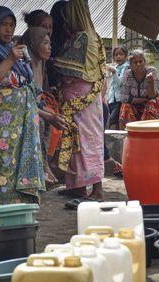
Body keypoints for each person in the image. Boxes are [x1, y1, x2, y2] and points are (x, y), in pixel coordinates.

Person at [0, 6, 46, 205]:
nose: (8, 29)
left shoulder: (11, 49)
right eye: (3, 25)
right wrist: (11, 58)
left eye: (12, 25)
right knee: (7, 164)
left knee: (23, 161)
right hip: (3, 120)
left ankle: (23, 208)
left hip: (22, 119)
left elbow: (26, 81)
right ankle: (6, 212)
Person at [53, 0, 106, 201]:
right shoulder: (94, 36)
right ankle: (78, 187)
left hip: (80, 98)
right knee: (80, 142)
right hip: (88, 98)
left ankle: (97, 190)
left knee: (85, 143)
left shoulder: (82, 38)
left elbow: (65, 68)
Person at [21, 26, 66, 187]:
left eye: (50, 43)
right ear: (33, 44)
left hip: (34, 107)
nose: (50, 47)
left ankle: (46, 164)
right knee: (40, 122)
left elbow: (39, 98)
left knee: (58, 118)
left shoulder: (40, 64)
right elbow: (26, 101)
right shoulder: (24, 66)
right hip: (22, 110)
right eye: (45, 43)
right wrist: (47, 115)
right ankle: (41, 169)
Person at [118, 48, 159, 129]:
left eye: (140, 61)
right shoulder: (128, 74)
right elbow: (124, 98)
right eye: (135, 62)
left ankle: (148, 131)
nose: (138, 64)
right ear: (130, 64)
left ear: (144, 62)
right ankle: (130, 132)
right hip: (135, 105)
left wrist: (150, 83)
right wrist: (143, 100)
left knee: (152, 103)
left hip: (150, 101)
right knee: (125, 106)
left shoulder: (152, 72)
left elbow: (152, 96)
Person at [105, 46, 129, 130]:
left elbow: (120, 83)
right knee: (113, 121)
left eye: (121, 54)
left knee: (112, 120)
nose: (118, 56)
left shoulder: (126, 67)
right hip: (112, 100)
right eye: (116, 55)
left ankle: (112, 140)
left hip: (119, 100)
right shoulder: (115, 67)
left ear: (126, 56)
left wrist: (114, 72)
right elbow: (112, 85)